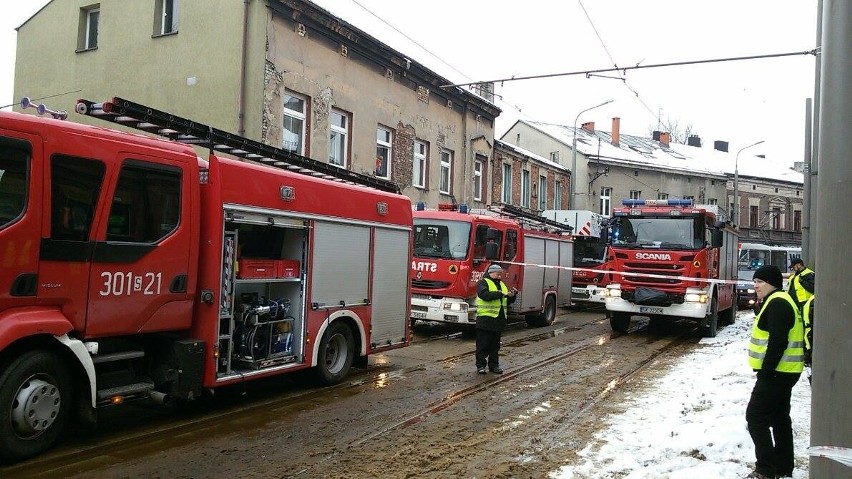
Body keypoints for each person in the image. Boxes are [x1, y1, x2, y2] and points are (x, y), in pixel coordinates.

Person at [746, 265, 805, 479]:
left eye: (760, 282)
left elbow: (778, 341)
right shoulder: (780, 300)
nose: (755, 285)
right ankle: (783, 467)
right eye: (755, 281)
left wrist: (766, 372)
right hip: (785, 372)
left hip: (777, 373)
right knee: (780, 418)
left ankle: (765, 469)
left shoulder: (778, 303)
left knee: (755, 417)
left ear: (771, 283)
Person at [474, 263, 516, 374]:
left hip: (498, 321)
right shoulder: (483, 283)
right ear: (491, 273)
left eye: (500, 274)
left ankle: (494, 366)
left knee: (495, 347)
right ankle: (481, 366)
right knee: (482, 346)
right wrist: (500, 294)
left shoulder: (502, 284)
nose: (499, 276)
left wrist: (512, 295)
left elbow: (506, 300)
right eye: (498, 274)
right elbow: (484, 295)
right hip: (485, 320)